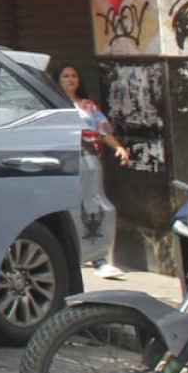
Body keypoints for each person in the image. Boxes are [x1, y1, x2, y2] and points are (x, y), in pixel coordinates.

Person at [58, 63, 132, 280]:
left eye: (74, 75)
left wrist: (118, 147)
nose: (71, 80)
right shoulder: (53, 106)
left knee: (93, 203)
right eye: (66, 76)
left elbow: (104, 131)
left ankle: (100, 258)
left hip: (89, 160)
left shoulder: (89, 106)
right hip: (65, 161)